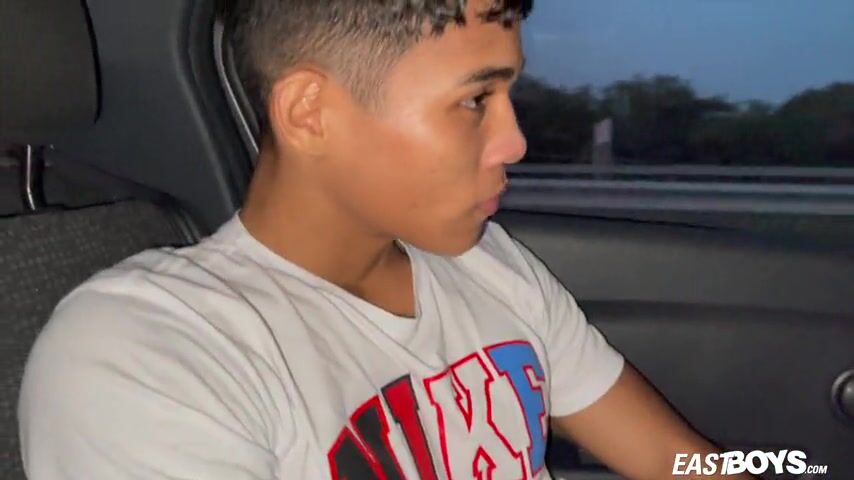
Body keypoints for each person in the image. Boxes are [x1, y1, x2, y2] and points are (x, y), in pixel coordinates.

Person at [18, 1, 752, 478]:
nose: (516, 142)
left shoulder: (489, 266)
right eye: (475, 99)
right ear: (310, 113)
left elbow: (676, 460)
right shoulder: (149, 352)